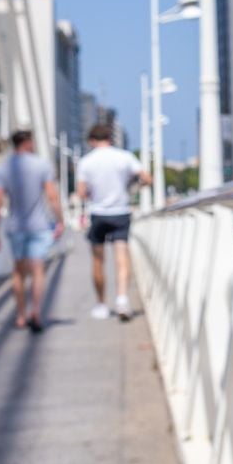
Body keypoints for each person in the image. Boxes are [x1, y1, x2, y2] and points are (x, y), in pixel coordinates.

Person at [74, 122, 149, 320]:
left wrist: (91, 193)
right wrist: (134, 187)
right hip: (121, 212)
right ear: (110, 138)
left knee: (98, 260)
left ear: (91, 140)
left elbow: (81, 193)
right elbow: (147, 179)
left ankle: (101, 304)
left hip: (98, 213)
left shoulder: (86, 161)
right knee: (122, 258)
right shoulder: (125, 157)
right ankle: (122, 300)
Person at [0, 128, 62, 332]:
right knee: (38, 271)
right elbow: (52, 196)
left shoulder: (2, 168)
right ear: (28, 143)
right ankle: (37, 311)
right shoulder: (42, 165)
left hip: (15, 227)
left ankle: (21, 315)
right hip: (39, 226)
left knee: (18, 272)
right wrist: (60, 220)